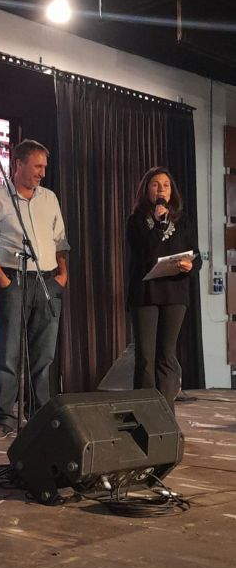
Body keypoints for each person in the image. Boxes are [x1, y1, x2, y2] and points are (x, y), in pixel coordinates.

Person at [0, 139, 70, 440]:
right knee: (9, 354)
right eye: (37, 166)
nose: (42, 172)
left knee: (44, 355)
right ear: (18, 164)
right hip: (13, 279)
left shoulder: (50, 198)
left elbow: (60, 241)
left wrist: (63, 274)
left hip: (47, 280)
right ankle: (4, 418)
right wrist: (3, 280)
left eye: (45, 167)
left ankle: (39, 414)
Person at [127, 166, 202, 412]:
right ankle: (145, 413)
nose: (161, 189)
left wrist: (190, 265)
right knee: (146, 357)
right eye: (156, 185)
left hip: (175, 293)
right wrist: (159, 225)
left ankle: (165, 413)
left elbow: (197, 257)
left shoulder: (184, 220)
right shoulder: (136, 221)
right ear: (146, 190)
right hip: (145, 294)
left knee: (167, 355)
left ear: (172, 191)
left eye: (166, 185)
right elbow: (146, 254)